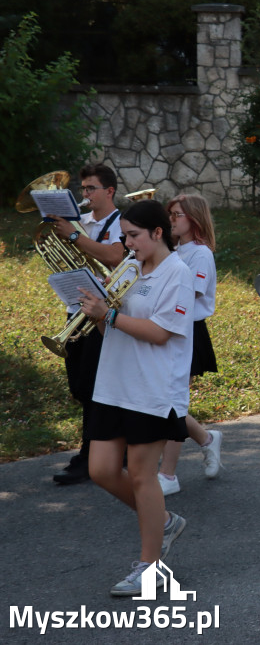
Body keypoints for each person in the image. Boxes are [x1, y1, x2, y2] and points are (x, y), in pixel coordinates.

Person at [76, 199, 193, 596]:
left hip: (152, 390)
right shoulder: (129, 267)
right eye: (125, 235)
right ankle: (163, 521)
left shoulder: (178, 272)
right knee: (102, 470)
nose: (126, 244)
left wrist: (108, 315)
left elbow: (161, 332)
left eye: (133, 236)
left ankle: (150, 567)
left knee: (143, 476)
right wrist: (96, 309)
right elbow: (116, 324)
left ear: (158, 233)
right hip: (114, 384)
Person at [49, 163, 128, 485]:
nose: (85, 194)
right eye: (83, 189)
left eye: (91, 188)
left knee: (94, 386)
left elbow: (113, 257)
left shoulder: (120, 221)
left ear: (109, 191)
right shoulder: (79, 222)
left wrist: (74, 237)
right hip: (75, 310)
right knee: (80, 386)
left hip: (101, 315)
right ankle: (109, 449)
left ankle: (91, 456)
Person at [157, 194, 223, 496]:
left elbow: (189, 295)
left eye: (177, 215)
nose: (171, 220)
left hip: (188, 331)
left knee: (173, 403)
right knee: (167, 401)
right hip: (167, 327)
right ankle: (207, 440)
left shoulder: (199, 254)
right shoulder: (175, 250)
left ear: (193, 219)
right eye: (169, 214)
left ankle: (167, 475)